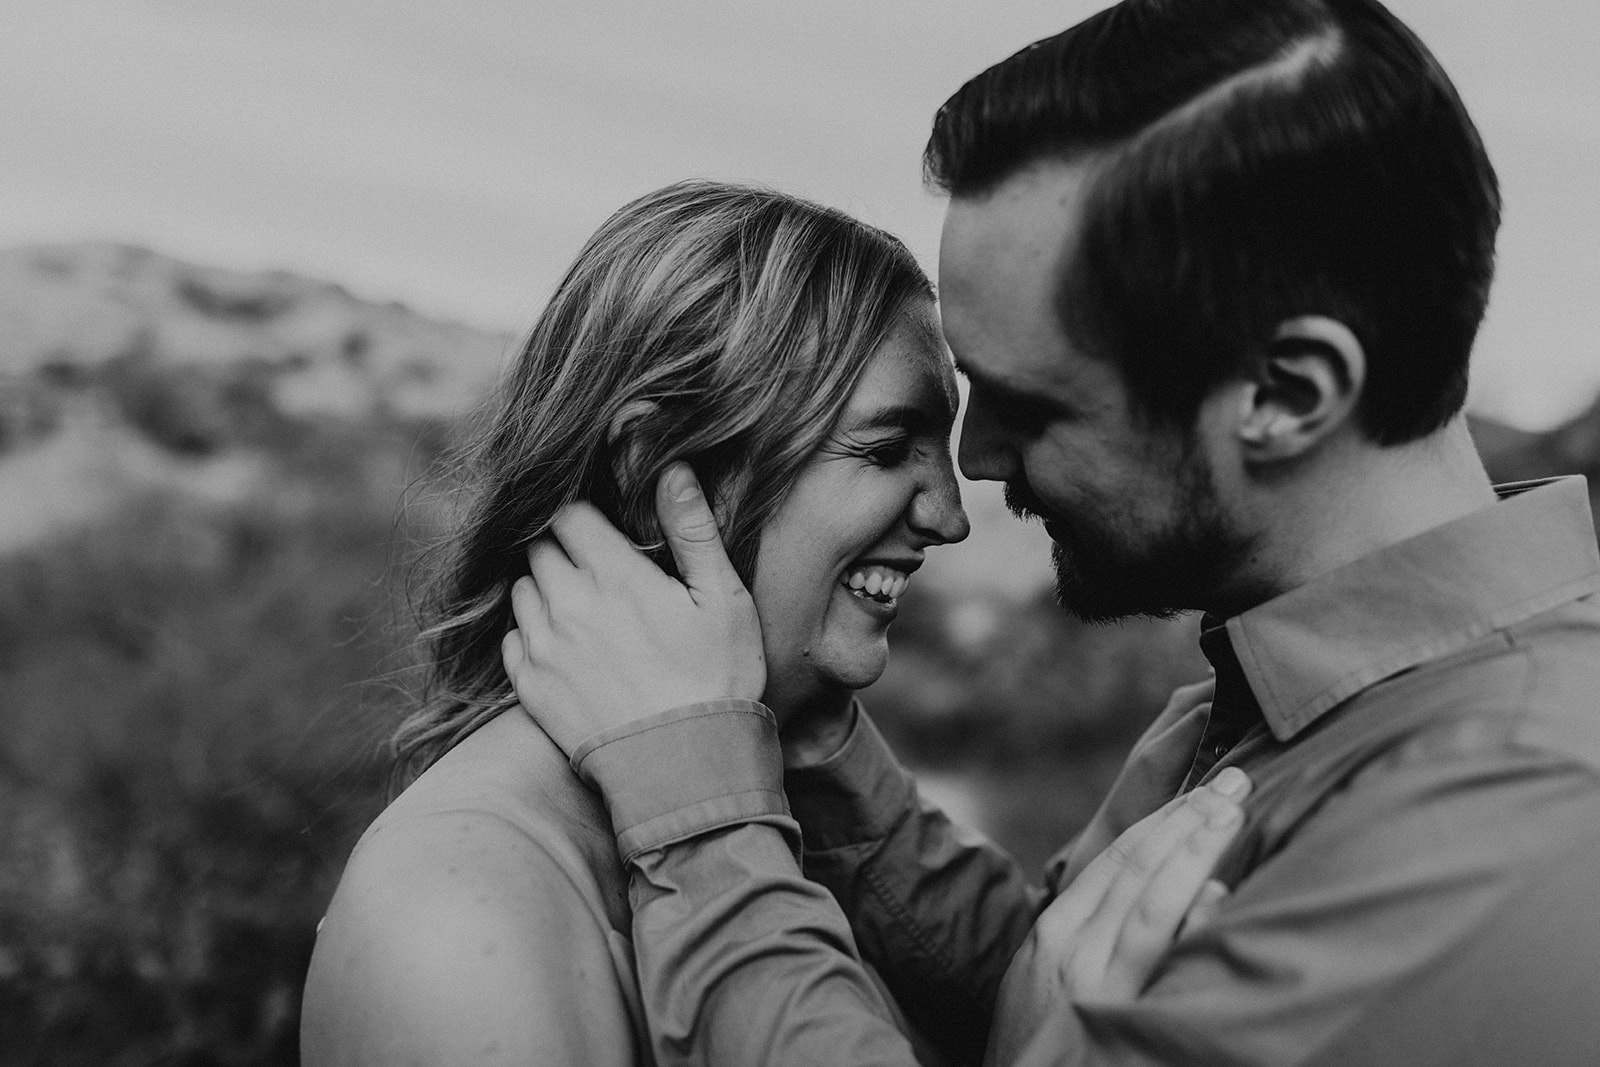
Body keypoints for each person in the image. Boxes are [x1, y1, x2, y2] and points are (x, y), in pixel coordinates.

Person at [503, 0, 1600, 1064]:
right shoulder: (1293, 695)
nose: (973, 466)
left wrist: (693, 809)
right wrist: (802, 733)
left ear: (1285, 390)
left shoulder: (1498, 819)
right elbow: (1056, 978)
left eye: (1032, 405)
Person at [298, 180, 1250, 1065]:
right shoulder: (463, 923)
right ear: (656, 470)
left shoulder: (773, 811)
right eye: (887, 448)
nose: (951, 515)